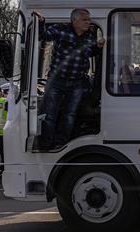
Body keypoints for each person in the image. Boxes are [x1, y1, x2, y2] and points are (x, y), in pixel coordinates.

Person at [35, 8, 104, 150]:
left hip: (77, 82)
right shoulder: (60, 30)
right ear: (74, 20)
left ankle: (60, 144)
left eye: (89, 20)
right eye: (85, 19)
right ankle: (46, 144)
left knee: (69, 115)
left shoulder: (89, 36)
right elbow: (43, 36)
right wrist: (41, 23)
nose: (88, 22)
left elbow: (90, 52)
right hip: (56, 80)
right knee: (49, 114)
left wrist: (98, 47)